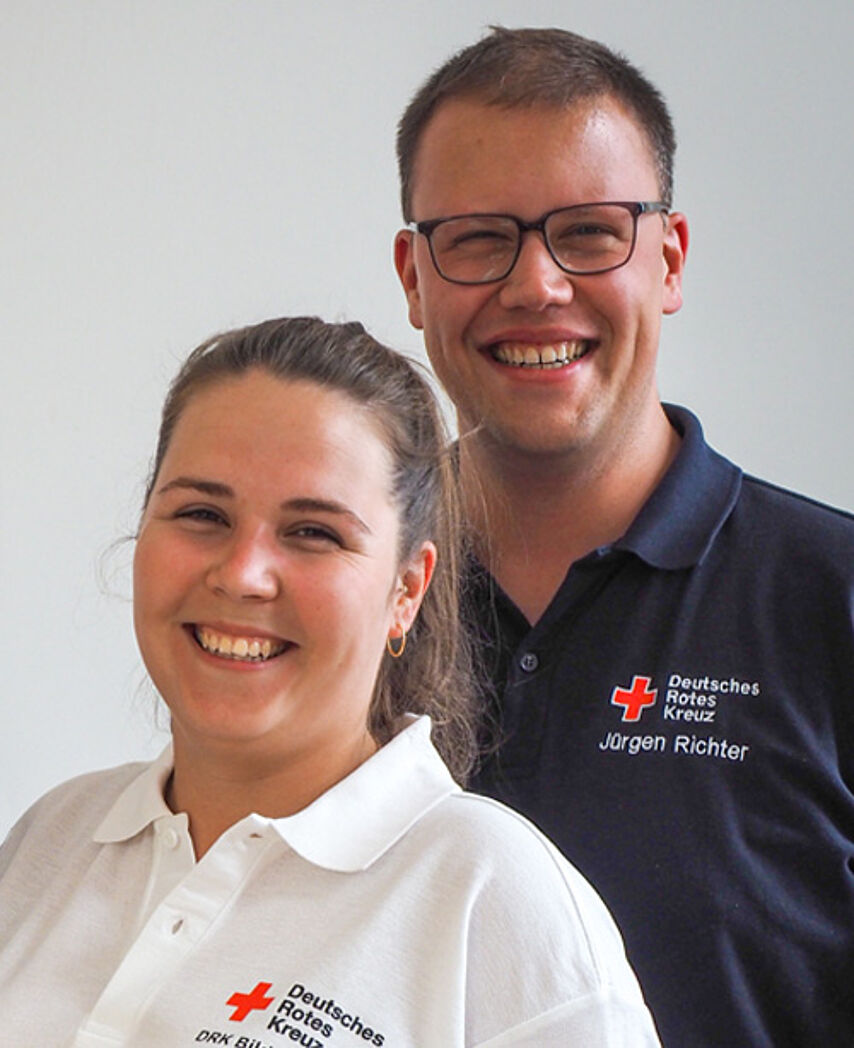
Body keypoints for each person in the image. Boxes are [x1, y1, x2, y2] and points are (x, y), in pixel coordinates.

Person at [0, 316, 659, 1047]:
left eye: (314, 532)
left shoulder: (495, 903)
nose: (243, 574)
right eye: (201, 514)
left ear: (407, 589)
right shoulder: (50, 841)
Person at [393, 26, 854, 1048]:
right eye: (476, 236)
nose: (535, 285)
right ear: (413, 274)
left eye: (589, 232)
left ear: (668, 259)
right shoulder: (353, 602)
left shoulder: (830, 598)